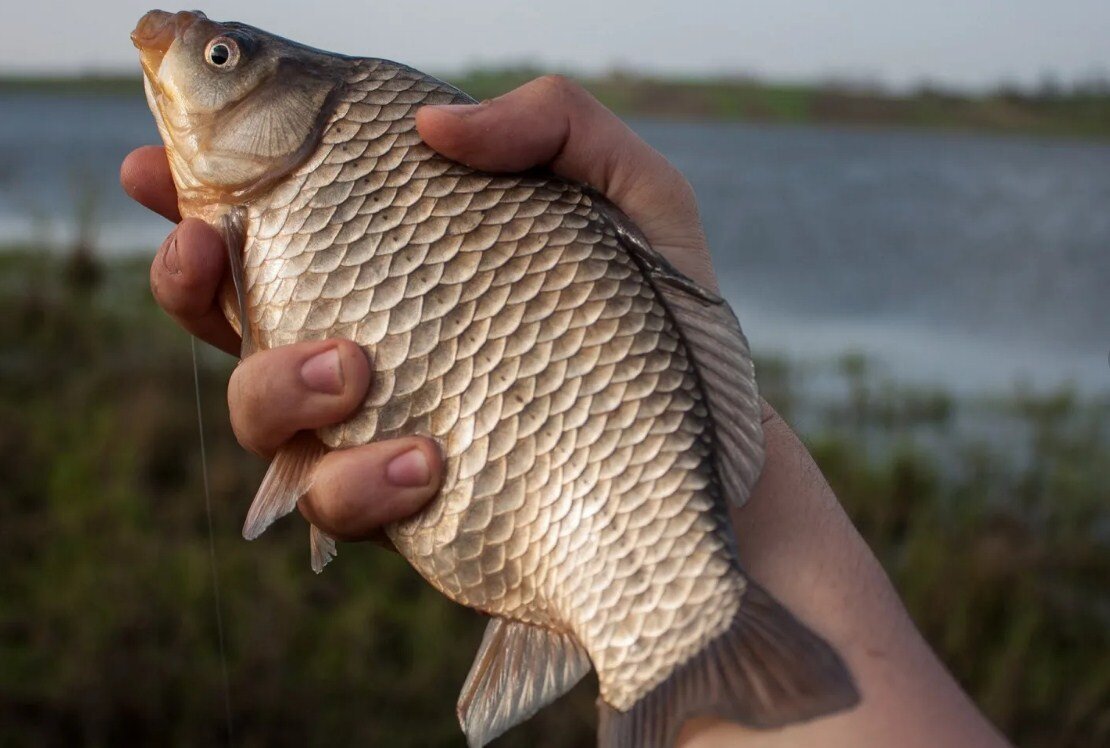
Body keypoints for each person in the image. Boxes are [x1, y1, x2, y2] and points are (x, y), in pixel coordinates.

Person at [121, 76, 1011, 748]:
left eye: (224, 56)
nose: (198, 60)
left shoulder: (385, 123)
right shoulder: (266, 194)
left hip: (626, 407)